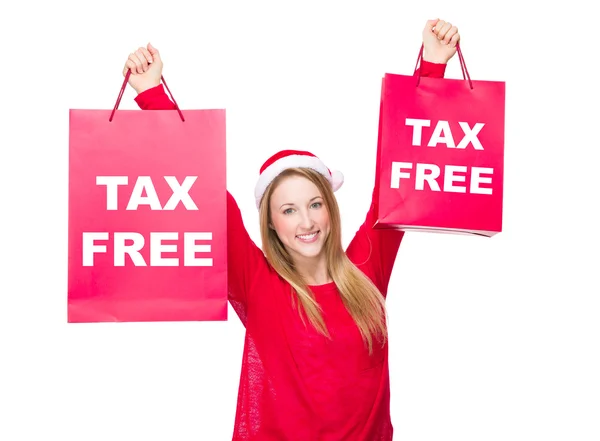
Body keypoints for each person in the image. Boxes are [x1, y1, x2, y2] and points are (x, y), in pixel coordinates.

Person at [122, 18, 460, 441]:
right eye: (289, 210)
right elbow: (206, 194)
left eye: (316, 204)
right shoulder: (258, 282)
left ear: (330, 208)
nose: (306, 222)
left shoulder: (365, 268)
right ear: (271, 223)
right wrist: (153, 95)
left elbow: (400, 181)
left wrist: (432, 66)